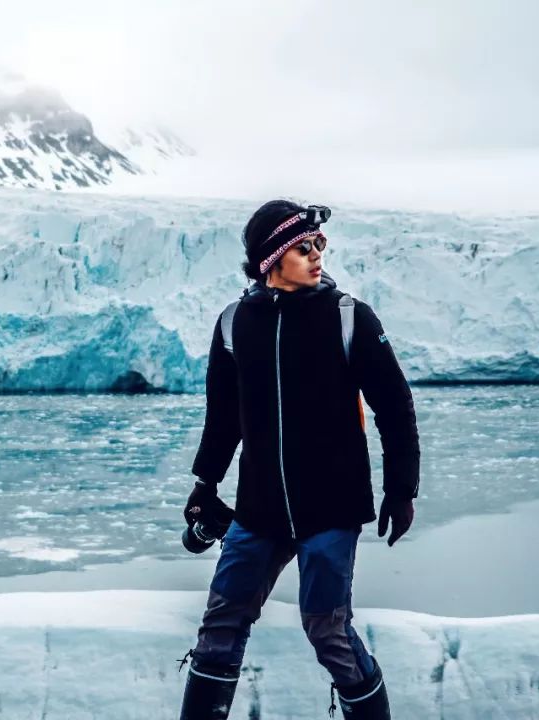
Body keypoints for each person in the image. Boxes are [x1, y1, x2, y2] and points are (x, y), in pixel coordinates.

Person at [177, 200, 420, 719]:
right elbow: (223, 418)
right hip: (259, 508)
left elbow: (394, 407)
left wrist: (402, 489)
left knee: (327, 630)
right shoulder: (234, 324)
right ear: (271, 260)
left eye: (320, 246)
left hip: (330, 507)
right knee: (221, 622)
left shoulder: (349, 317)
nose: (317, 256)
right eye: (303, 248)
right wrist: (205, 485)